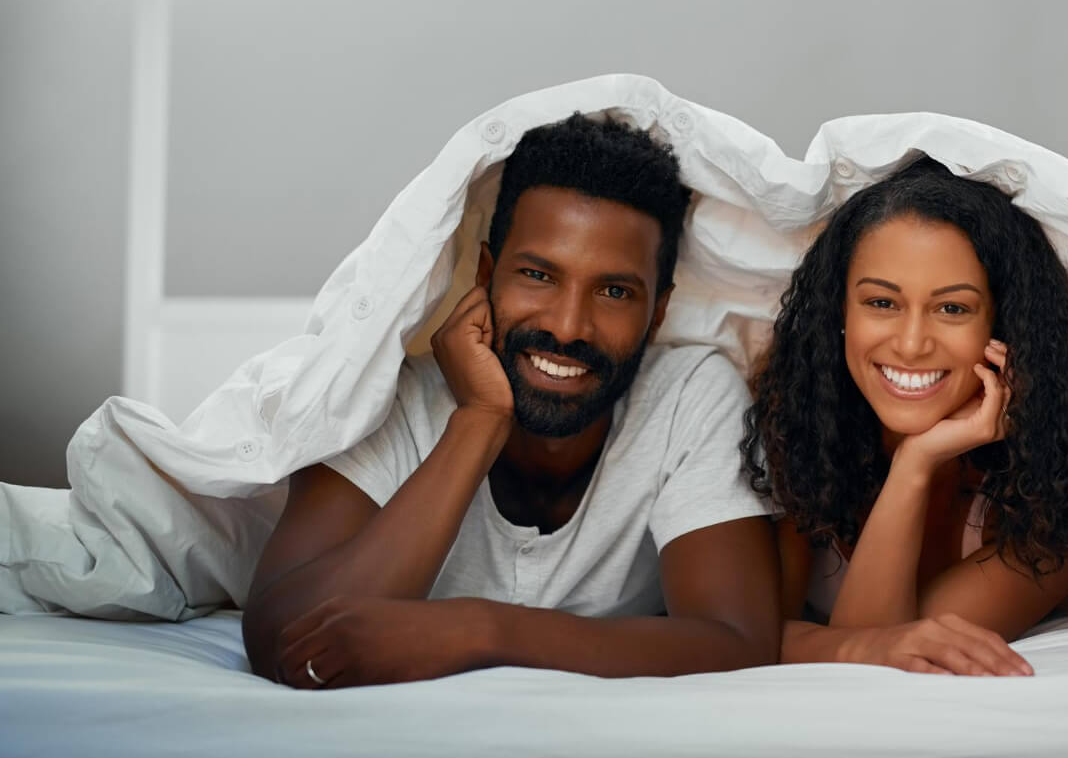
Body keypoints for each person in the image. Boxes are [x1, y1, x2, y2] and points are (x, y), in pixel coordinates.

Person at [243, 114, 780, 688]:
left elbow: (736, 641)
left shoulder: (690, 395)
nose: (570, 326)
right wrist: (478, 422)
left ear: (659, 313)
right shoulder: (393, 398)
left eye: (615, 291)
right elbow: (287, 640)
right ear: (485, 275)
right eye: (538, 275)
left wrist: (478, 630)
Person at [743, 158, 1068, 676]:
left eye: (952, 309)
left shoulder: (1060, 486)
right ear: (840, 314)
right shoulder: (795, 423)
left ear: (1004, 325)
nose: (910, 345)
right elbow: (740, 631)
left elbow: (890, 650)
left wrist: (916, 459)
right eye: (881, 302)